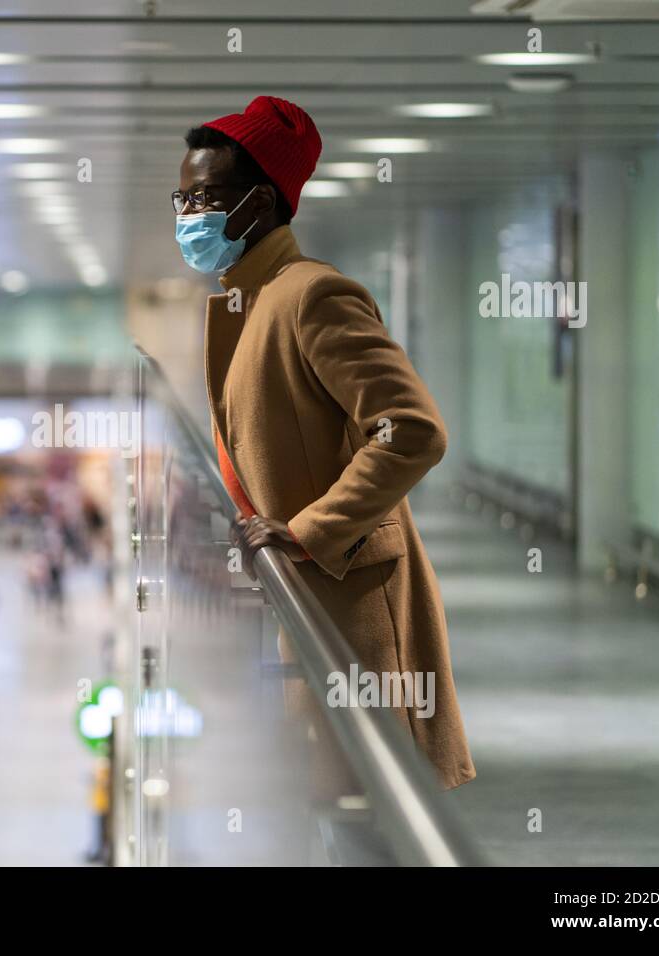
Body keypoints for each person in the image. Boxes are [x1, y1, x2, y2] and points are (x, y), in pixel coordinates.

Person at [175, 95, 474, 790]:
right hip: (311, 601)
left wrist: (309, 530)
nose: (189, 216)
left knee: (364, 805)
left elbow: (413, 431)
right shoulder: (251, 301)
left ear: (260, 203)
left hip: (352, 603)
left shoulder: (312, 297)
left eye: (207, 198)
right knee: (329, 801)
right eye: (182, 198)